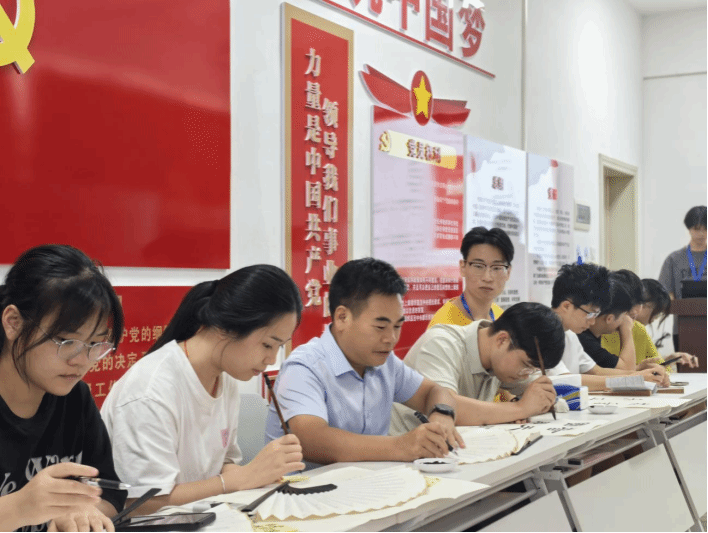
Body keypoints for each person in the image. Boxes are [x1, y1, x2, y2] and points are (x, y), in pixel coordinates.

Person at [101, 265, 305, 516]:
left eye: (280, 347)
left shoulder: (224, 377)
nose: (271, 360)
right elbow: (142, 503)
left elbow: (225, 463)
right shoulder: (150, 390)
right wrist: (236, 481)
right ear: (227, 327)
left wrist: (259, 474)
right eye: (267, 345)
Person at [265, 258, 463, 464]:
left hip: (371, 480)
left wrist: (442, 414)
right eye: (380, 327)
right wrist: (402, 446)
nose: (391, 338)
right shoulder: (304, 367)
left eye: (397, 326)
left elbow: (434, 392)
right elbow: (312, 440)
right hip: (307, 483)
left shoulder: (385, 362)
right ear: (342, 317)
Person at [0, 244, 126, 532]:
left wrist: (82, 514)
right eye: (67, 341)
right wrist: (19, 508)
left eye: (94, 344)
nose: (81, 361)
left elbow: (111, 494)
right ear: (13, 323)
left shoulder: (74, 398)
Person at [389, 302, 564, 433]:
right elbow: (446, 407)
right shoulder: (441, 343)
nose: (526, 376)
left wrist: (542, 399)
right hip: (397, 455)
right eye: (526, 366)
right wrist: (520, 409)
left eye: (532, 370)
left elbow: (537, 390)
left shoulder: (500, 360)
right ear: (502, 340)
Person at [547, 264, 668, 390]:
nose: (592, 322)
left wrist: (644, 375)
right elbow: (565, 380)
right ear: (567, 306)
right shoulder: (543, 330)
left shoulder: (570, 335)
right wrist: (635, 378)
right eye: (590, 314)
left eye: (596, 315)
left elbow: (596, 371)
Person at [577, 274, 668, 386]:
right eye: (625, 316)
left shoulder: (590, 334)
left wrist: (639, 370)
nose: (629, 320)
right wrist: (627, 330)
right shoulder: (581, 336)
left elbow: (598, 371)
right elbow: (625, 369)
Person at [427, 227, 513, 328]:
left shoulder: (501, 317)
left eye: (497, 268)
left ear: (508, 272)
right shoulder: (443, 326)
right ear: (463, 267)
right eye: (478, 266)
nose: (487, 278)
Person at [658, 205, 707, 350]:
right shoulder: (674, 259)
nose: (701, 233)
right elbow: (666, 292)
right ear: (689, 228)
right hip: (683, 328)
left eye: (705, 229)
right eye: (697, 229)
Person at [600, 270, 668, 368]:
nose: (637, 310)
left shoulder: (638, 328)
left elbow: (658, 364)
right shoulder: (595, 330)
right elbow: (626, 370)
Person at [634, 279, 699, 369]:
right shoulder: (631, 327)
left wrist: (671, 358)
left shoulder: (640, 330)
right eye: (656, 312)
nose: (656, 318)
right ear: (642, 304)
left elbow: (655, 364)